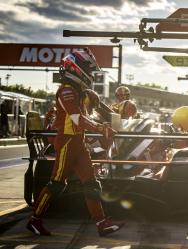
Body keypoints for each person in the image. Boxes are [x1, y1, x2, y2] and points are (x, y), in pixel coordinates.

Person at [26, 48, 124, 236]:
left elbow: (83, 120)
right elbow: (78, 120)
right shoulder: (66, 91)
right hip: (67, 144)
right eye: (87, 69)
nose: (90, 74)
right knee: (56, 184)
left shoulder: (77, 92)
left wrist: (100, 126)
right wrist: (101, 128)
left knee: (92, 184)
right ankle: (34, 220)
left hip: (78, 144)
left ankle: (102, 223)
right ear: (76, 67)